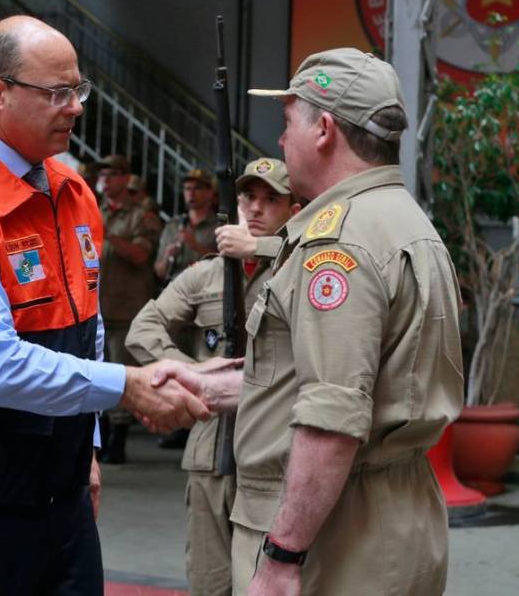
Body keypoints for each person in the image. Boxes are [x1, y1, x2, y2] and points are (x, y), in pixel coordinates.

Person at [0, 15, 230, 596]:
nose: (76, 107)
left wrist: (85, 446)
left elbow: (85, 321)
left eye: (78, 90)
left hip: (55, 493)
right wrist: (125, 386)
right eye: (57, 93)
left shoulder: (70, 189)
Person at [150, 48, 464, 595]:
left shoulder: (338, 243)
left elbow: (332, 416)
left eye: (287, 121)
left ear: (323, 129)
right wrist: (221, 385)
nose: (279, 141)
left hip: (335, 537)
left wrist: (280, 556)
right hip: (386, 510)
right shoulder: (400, 219)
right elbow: (339, 373)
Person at [125, 158, 299, 596]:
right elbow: (143, 329)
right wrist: (190, 370)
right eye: (248, 197)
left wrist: (257, 251)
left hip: (276, 450)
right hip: (210, 449)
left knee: (267, 578)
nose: (256, 209)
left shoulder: (300, 270)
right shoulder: (206, 274)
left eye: (271, 200)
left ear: (293, 211)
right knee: (209, 580)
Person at [96, 153, 163, 464]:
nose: (105, 180)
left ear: (125, 178)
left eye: (112, 174)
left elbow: (140, 255)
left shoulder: (141, 215)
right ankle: (103, 434)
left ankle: (118, 440)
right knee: (99, 371)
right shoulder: (95, 210)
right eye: (103, 175)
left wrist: (106, 234)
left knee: (121, 372)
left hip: (126, 308)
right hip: (98, 306)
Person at [153, 168, 219, 285]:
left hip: (206, 290)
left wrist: (196, 246)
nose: (191, 193)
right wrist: (167, 258)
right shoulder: (173, 225)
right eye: (187, 188)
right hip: (175, 289)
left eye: (197, 188)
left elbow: (223, 266)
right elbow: (160, 272)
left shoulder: (219, 226)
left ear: (210, 193)